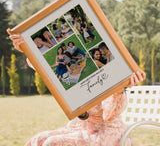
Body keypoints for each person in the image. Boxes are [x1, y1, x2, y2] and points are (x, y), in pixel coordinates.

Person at [7, 28, 146, 146]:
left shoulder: (110, 76)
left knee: (51, 143)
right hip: (83, 129)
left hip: (108, 134)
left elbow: (109, 114)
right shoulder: (76, 71)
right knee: (36, 141)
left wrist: (120, 89)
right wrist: (26, 47)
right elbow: (46, 72)